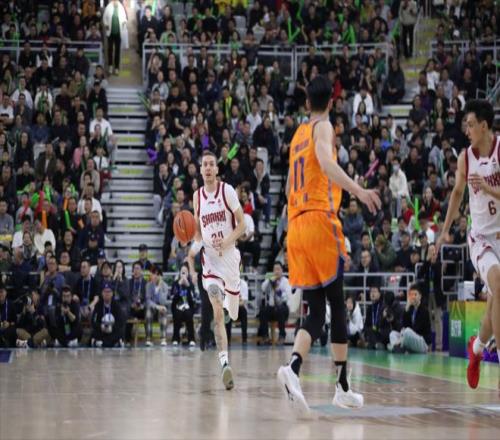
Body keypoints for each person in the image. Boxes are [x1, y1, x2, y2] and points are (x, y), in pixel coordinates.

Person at [277, 75, 381, 413]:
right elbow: (325, 161)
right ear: (332, 104)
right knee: (337, 303)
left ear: (308, 103)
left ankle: (294, 368)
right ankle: (341, 386)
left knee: (316, 309)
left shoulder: (297, 135)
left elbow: (290, 185)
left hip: (295, 226)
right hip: (319, 220)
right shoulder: (323, 128)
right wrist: (359, 190)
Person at [436, 99, 500, 389]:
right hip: (481, 238)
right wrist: (444, 231)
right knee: (498, 283)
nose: (467, 130)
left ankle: (477, 348)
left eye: (471, 125)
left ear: (484, 126)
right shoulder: (466, 157)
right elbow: (457, 193)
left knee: (494, 303)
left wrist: (487, 187)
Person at [192, 150, 246, 390]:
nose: (208, 168)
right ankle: (224, 363)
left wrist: (227, 241)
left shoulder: (227, 191)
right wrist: (191, 245)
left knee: (233, 313)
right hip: (211, 263)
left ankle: (232, 302)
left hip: (230, 259)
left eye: (211, 164)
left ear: (216, 169)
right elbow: (197, 232)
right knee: (216, 309)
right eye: (204, 164)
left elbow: (242, 225)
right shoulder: (197, 196)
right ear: (200, 169)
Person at [387, 284, 431, 353]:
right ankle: (400, 348)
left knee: (407, 331)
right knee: (392, 334)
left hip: (422, 342)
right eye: (411, 295)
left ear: (420, 296)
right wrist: (406, 309)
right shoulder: (410, 309)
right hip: (409, 339)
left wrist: (402, 338)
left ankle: (396, 347)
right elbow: (403, 326)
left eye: (415, 294)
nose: (413, 297)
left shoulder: (424, 310)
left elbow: (416, 329)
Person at [258, 262, 291, 344]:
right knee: (262, 311)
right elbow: (263, 288)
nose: (276, 271)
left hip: (283, 307)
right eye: (275, 269)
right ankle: (265, 336)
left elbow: (287, 296)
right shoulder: (270, 280)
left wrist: (277, 290)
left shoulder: (286, 281)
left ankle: (282, 336)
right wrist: (269, 280)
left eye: (278, 269)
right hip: (272, 307)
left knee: (280, 309)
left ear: (282, 270)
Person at [91, 282, 124, 347]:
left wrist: (112, 328)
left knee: (120, 333)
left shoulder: (116, 305)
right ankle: (111, 343)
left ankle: (102, 343)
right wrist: (101, 327)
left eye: (109, 292)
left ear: (112, 293)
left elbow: (120, 321)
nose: (107, 294)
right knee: (94, 333)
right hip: (101, 330)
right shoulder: (98, 305)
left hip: (112, 330)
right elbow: (93, 321)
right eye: (105, 292)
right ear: (102, 293)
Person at [171, 263, 196, 347]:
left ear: (188, 273)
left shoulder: (190, 284)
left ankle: (191, 339)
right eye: (182, 272)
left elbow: (193, 299)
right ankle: (175, 338)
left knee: (188, 314)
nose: (184, 274)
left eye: (185, 272)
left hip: (188, 306)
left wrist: (188, 286)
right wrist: (179, 285)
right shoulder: (175, 283)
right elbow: (173, 297)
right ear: (179, 273)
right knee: (177, 314)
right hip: (177, 306)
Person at [145, 265, 169, 346]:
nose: (155, 276)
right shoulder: (148, 285)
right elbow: (148, 300)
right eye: (153, 274)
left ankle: (163, 338)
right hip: (152, 308)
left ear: (160, 276)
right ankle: (149, 338)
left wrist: (159, 288)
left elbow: (163, 301)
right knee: (148, 312)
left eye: (157, 274)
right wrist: (156, 307)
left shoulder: (165, 286)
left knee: (163, 311)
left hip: (161, 307)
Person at [103, 0, 128, 75]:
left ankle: (116, 67)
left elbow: (125, 18)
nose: (115, 2)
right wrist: (106, 24)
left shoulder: (121, 7)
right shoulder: (108, 7)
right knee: (110, 49)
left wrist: (124, 22)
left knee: (117, 50)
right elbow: (104, 18)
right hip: (110, 33)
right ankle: (110, 66)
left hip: (118, 33)